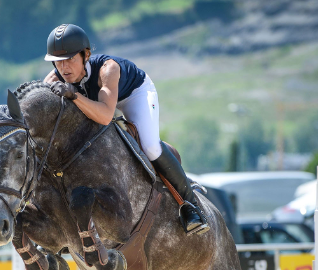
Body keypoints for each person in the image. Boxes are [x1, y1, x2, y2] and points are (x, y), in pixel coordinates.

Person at [43, 24, 208, 235]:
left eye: (70, 59)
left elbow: (104, 115)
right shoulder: (56, 78)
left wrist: (74, 96)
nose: (64, 68)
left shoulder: (108, 69)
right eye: (57, 61)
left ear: (86, 55)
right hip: (98, 101)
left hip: (134, 95)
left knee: (150, 146)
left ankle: (190, 205)